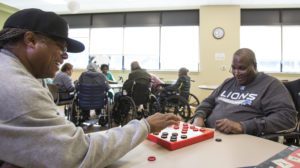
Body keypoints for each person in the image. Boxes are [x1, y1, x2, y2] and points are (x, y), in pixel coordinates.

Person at [0, 8, 180, 167]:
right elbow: (77, 154)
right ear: (30, 40)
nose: (64, 57)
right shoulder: (20, 88)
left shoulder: (12, 70)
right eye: (61, 47)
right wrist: (145, 125)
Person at [192, 48, 297, 136]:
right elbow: (208, 101)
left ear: (254, 66)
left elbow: (287, 118)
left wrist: (242, 126)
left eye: (242, 68)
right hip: (209, 134)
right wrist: (199, 116)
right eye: (233, 68)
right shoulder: (228, 82)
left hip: (241, 141)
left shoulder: (270, 85)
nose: (236, 73)